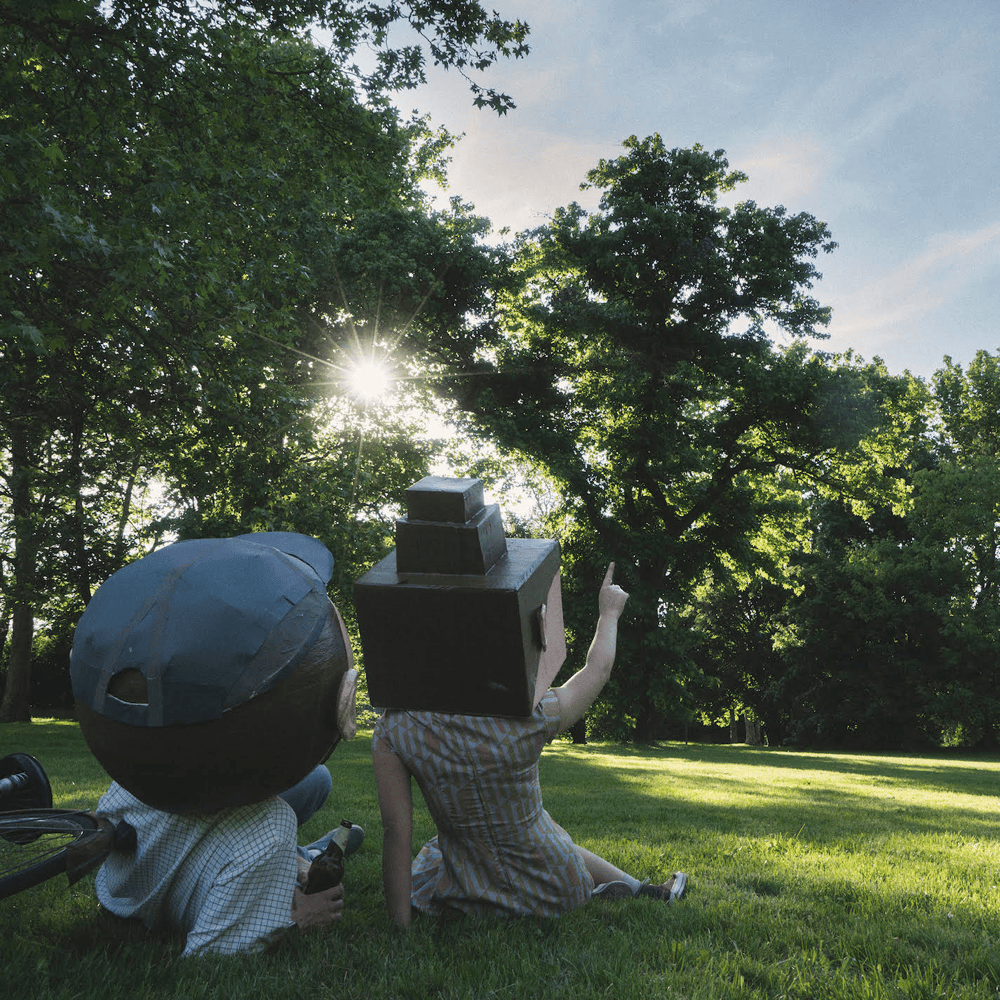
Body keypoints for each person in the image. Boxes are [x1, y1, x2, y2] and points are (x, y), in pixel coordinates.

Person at [71, 532, 364, 956]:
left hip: (141, 837)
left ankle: (299, 861)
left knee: (316, 781)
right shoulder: (268, 827)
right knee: (276, 822)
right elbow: (213, 952)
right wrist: (299, 918)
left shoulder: (143, 759)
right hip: (157, 890)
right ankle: (294, 861)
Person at [372, 562, 687, 927]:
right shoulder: (529, 715)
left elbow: (397, 831)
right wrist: (609, 612)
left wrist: (400, 930)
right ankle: (640, 890)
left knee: (442, 846)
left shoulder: (395, 729)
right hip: (553, 888)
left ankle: (635, 889)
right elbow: (597, 671)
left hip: (464, 891)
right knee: (538, 830)